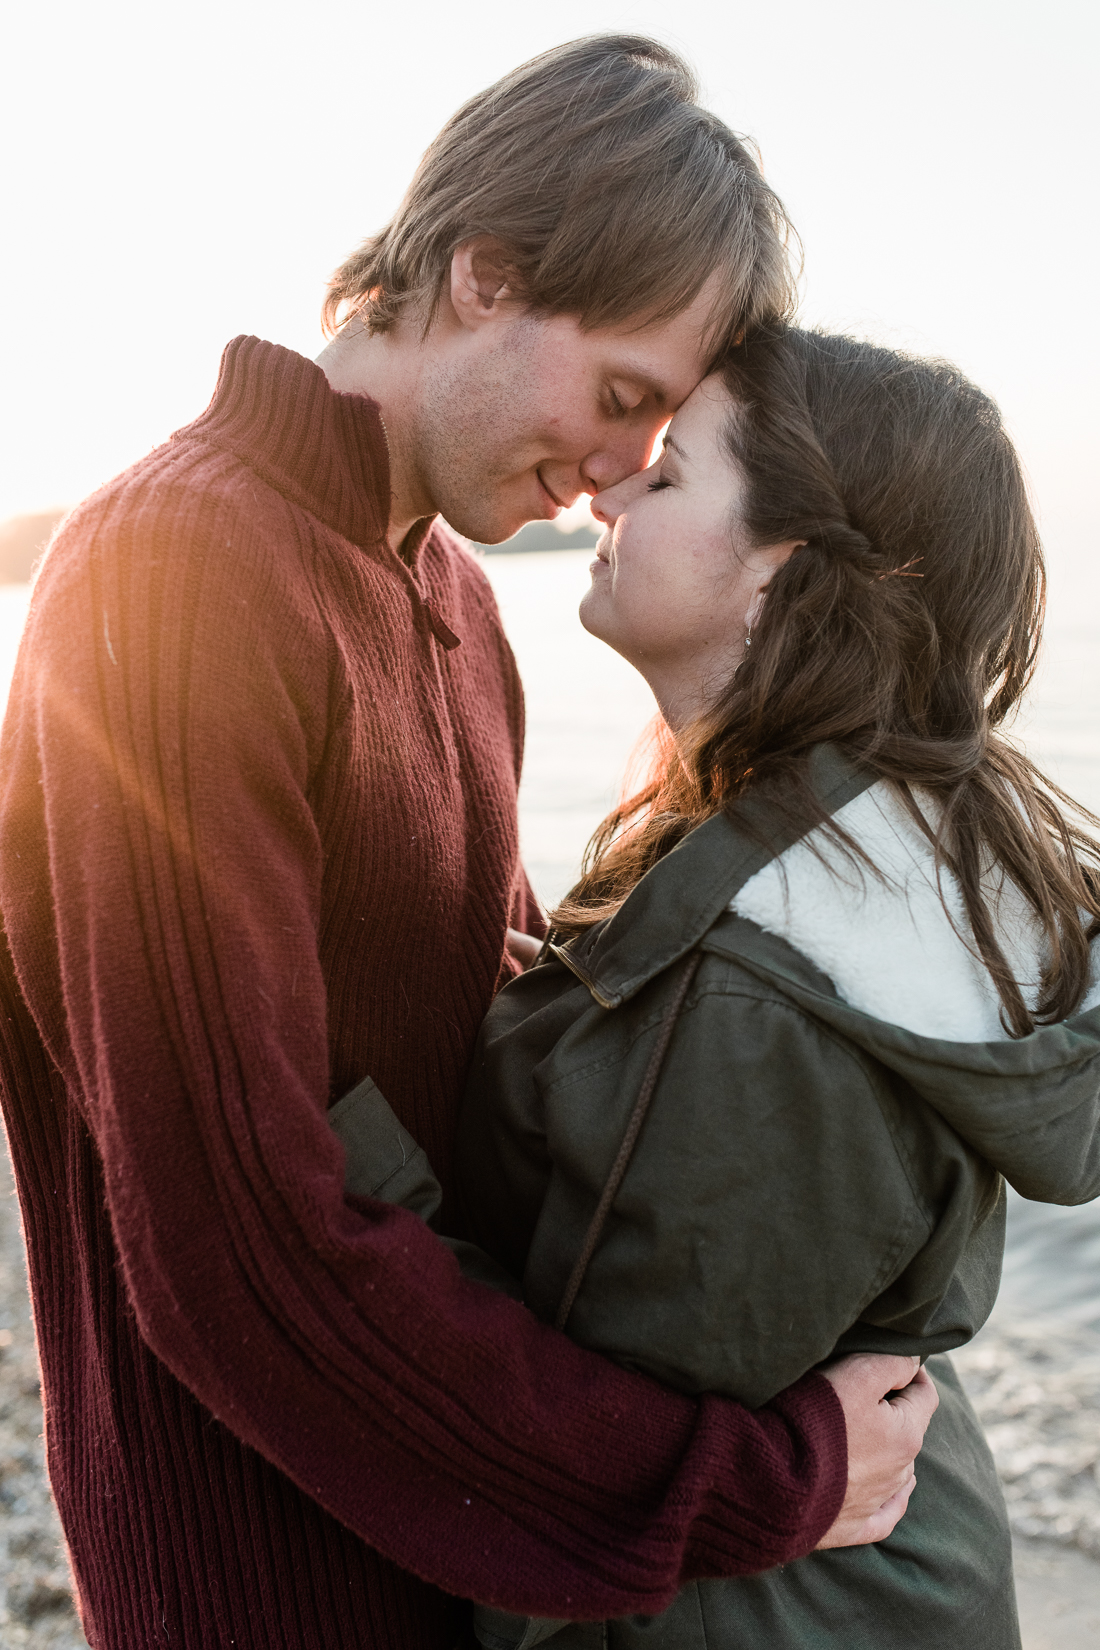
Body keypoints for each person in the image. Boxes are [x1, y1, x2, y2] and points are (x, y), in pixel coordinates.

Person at [0, 37, 933, 1650]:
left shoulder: (445, 598)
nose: (623, 464)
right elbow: (238, 1250)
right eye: (624, 394)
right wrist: (755, 1478)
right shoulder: (173, 570)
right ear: (480, 272)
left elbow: (473, 1098)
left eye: (659, 430)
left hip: (466, 1574)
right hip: (267, 1590)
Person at [430, 327, 1099, 1647]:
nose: (607, 490)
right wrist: (570, 1021)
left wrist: (338, 1120)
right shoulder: (871, 866)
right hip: (885, 1582)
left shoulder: (754, 996)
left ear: (779, 574)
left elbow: (602, 1463)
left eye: (668, 475)